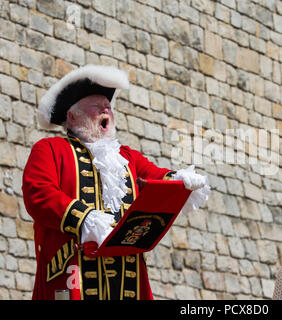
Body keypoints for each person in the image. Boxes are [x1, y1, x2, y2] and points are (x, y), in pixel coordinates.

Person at [22, 64, 210, 300]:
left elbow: (153, 175)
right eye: (97, 106)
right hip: (72, 275)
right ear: (72, 116)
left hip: (127, 278)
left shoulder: (127, 157)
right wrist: (84, 218)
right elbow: (38, 192)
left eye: (108, 106)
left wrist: (179, 180)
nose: (106, 110)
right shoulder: (51, 149)